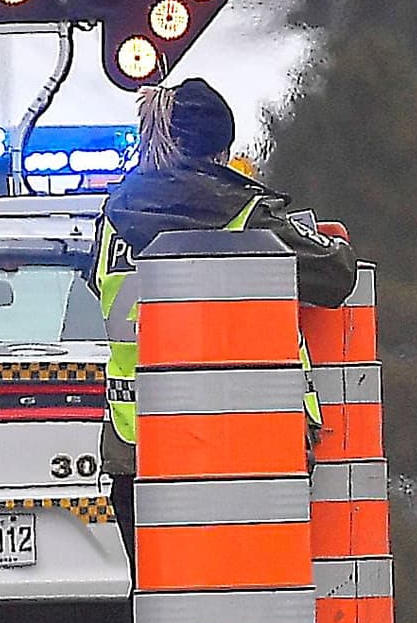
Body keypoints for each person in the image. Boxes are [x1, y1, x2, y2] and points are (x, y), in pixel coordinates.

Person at [91, 77, 355, 496]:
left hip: (137, 450)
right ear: (219, 152)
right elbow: (335, 274)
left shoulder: (112, 219)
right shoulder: (239, 212)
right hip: (242, 449)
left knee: (152, 566)